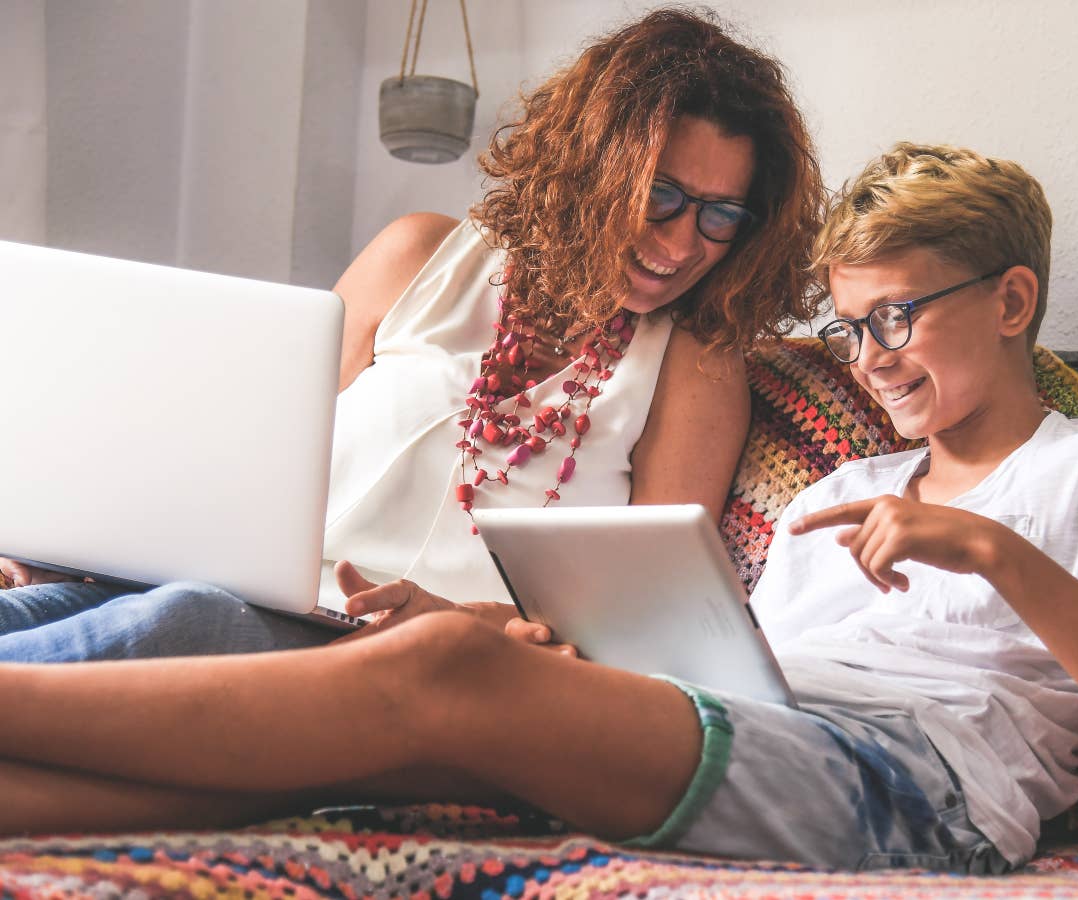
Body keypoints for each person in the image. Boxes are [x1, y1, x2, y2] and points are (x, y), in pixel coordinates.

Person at [3, 142, 1078, 872]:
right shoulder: (841, 491)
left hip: (922, 787)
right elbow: (727, 685)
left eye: (900, 315)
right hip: (768, 727)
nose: (870, 356)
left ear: (1012, 300)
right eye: (851, 324)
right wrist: (515, 635)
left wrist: (994, 552)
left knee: (442, 686)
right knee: (397, 702)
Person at [0, 8, 824, 661]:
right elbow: (237, 461)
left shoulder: (694, 365)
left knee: (179, 621)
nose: (683, 246)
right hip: (250, 592)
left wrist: (471, 622)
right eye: (659, 197)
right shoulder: (418, 254)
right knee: (40, 607)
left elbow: (651, 623)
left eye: (722, 215)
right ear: (591, 166)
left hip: (405, 653)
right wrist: (76, 553)